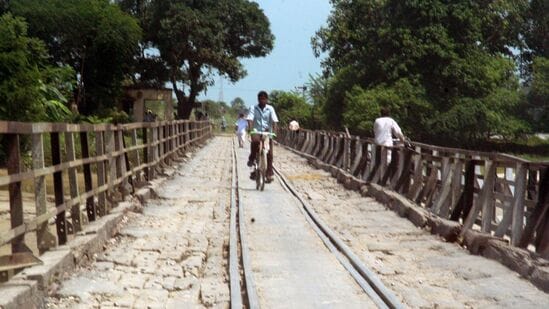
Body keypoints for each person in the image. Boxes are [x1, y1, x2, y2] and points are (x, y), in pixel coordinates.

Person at [247, 90, 278, 183]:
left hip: (267, 132)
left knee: (270, 154)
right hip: (256, 130)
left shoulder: (270, 109)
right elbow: (250, 119)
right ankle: (252, 157)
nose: (262, 101)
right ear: (258, 99)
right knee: (255, 142)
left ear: (267, 100)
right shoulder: (253, 108)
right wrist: (251, 130)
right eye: (261, 99)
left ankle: (269, 173)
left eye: (264, 99)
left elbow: (274, 121)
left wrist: (274, 132)